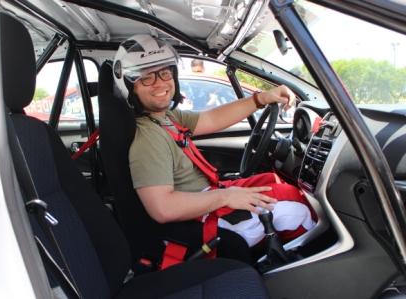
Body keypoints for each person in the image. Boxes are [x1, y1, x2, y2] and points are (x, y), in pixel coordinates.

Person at [113, 34, 315, 262]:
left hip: (208, 196)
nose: (160, 82)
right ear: (131, 86)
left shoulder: (164, 117)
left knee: (273, 181)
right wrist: (226, 196)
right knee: (296, 209)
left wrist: (262, 98)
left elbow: (211, 119)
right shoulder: (147, 138)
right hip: (198, 217)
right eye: (146, 77)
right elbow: (163, 208)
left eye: (164, 73)